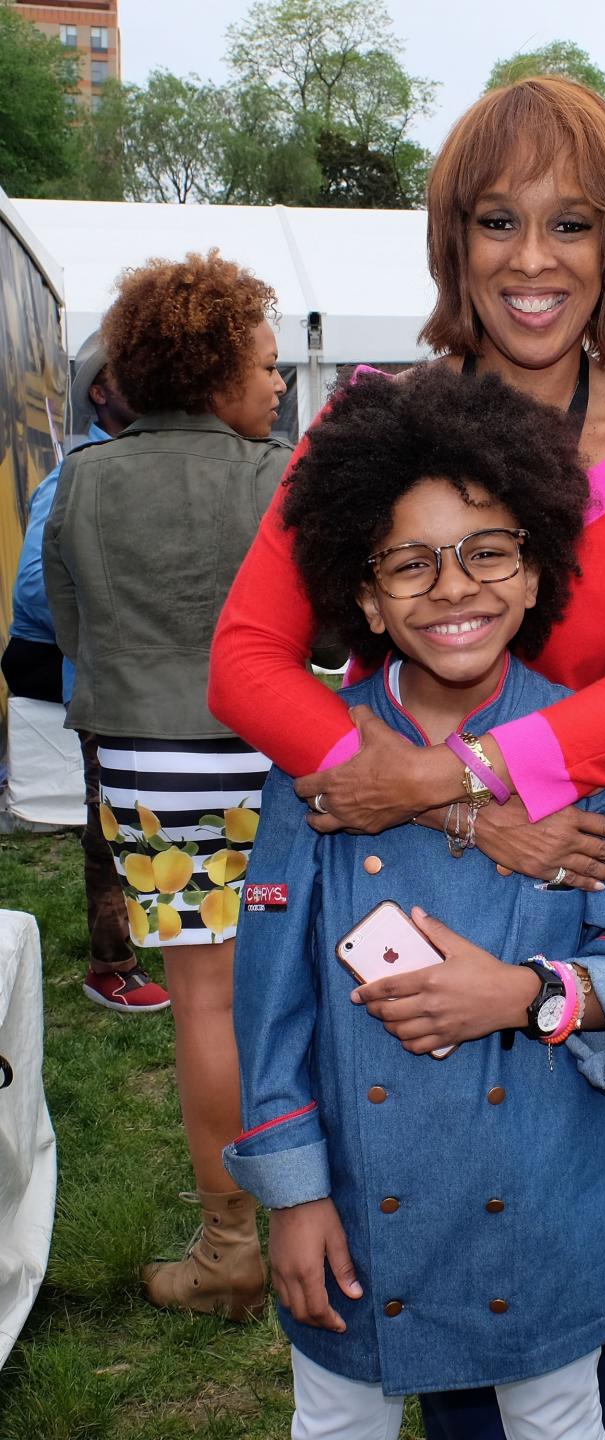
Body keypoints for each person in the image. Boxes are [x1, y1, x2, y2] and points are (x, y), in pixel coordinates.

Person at [210, 78, 605, 1436]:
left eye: (571, 224)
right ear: (453, 240)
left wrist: (461, 782)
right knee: (426, 1189)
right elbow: (246, 661)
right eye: (497, 221)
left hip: (592, 864)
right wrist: (430, 802)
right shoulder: (368, 430)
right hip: (383, 854)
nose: (531, 260)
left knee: (588, 1190)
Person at [43, 250, 291, 1321]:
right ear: (216, 367)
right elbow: (330, 627)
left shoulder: (83, 477)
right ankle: (341, 1217)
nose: (279, 386)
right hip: (275, 754)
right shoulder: (280, 476)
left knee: (206, 1004)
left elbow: (66, 622)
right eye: (269, 366)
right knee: (309, 992)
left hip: (147, 765)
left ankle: (230, 1248)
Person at [1, 333, 167, 1013]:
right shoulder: (78, 471)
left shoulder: (142, 463)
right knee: (110, 819)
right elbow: (37, 592)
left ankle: (161, 933)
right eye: (125, 372)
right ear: (99, 391)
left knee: (148, 812)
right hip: (102, 677)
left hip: (141, 675)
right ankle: (110, 966)